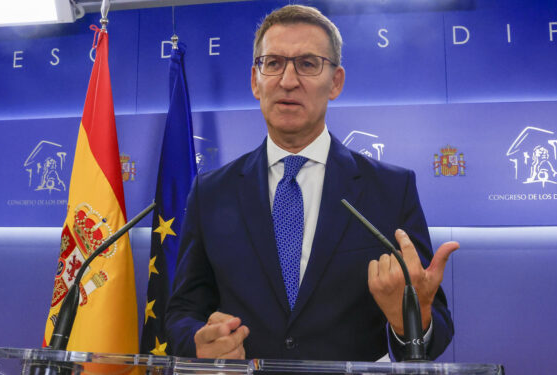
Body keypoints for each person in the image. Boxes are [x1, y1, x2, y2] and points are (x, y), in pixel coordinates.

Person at [163, 4, 458, 361]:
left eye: (307, 64)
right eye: (272, 63)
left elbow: (435, 331)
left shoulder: (390, 190)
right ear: (255, 81)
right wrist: (198, 339)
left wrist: (411, 319)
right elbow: (181, 312)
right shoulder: (211, 192)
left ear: (336, 82)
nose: (288, 80)